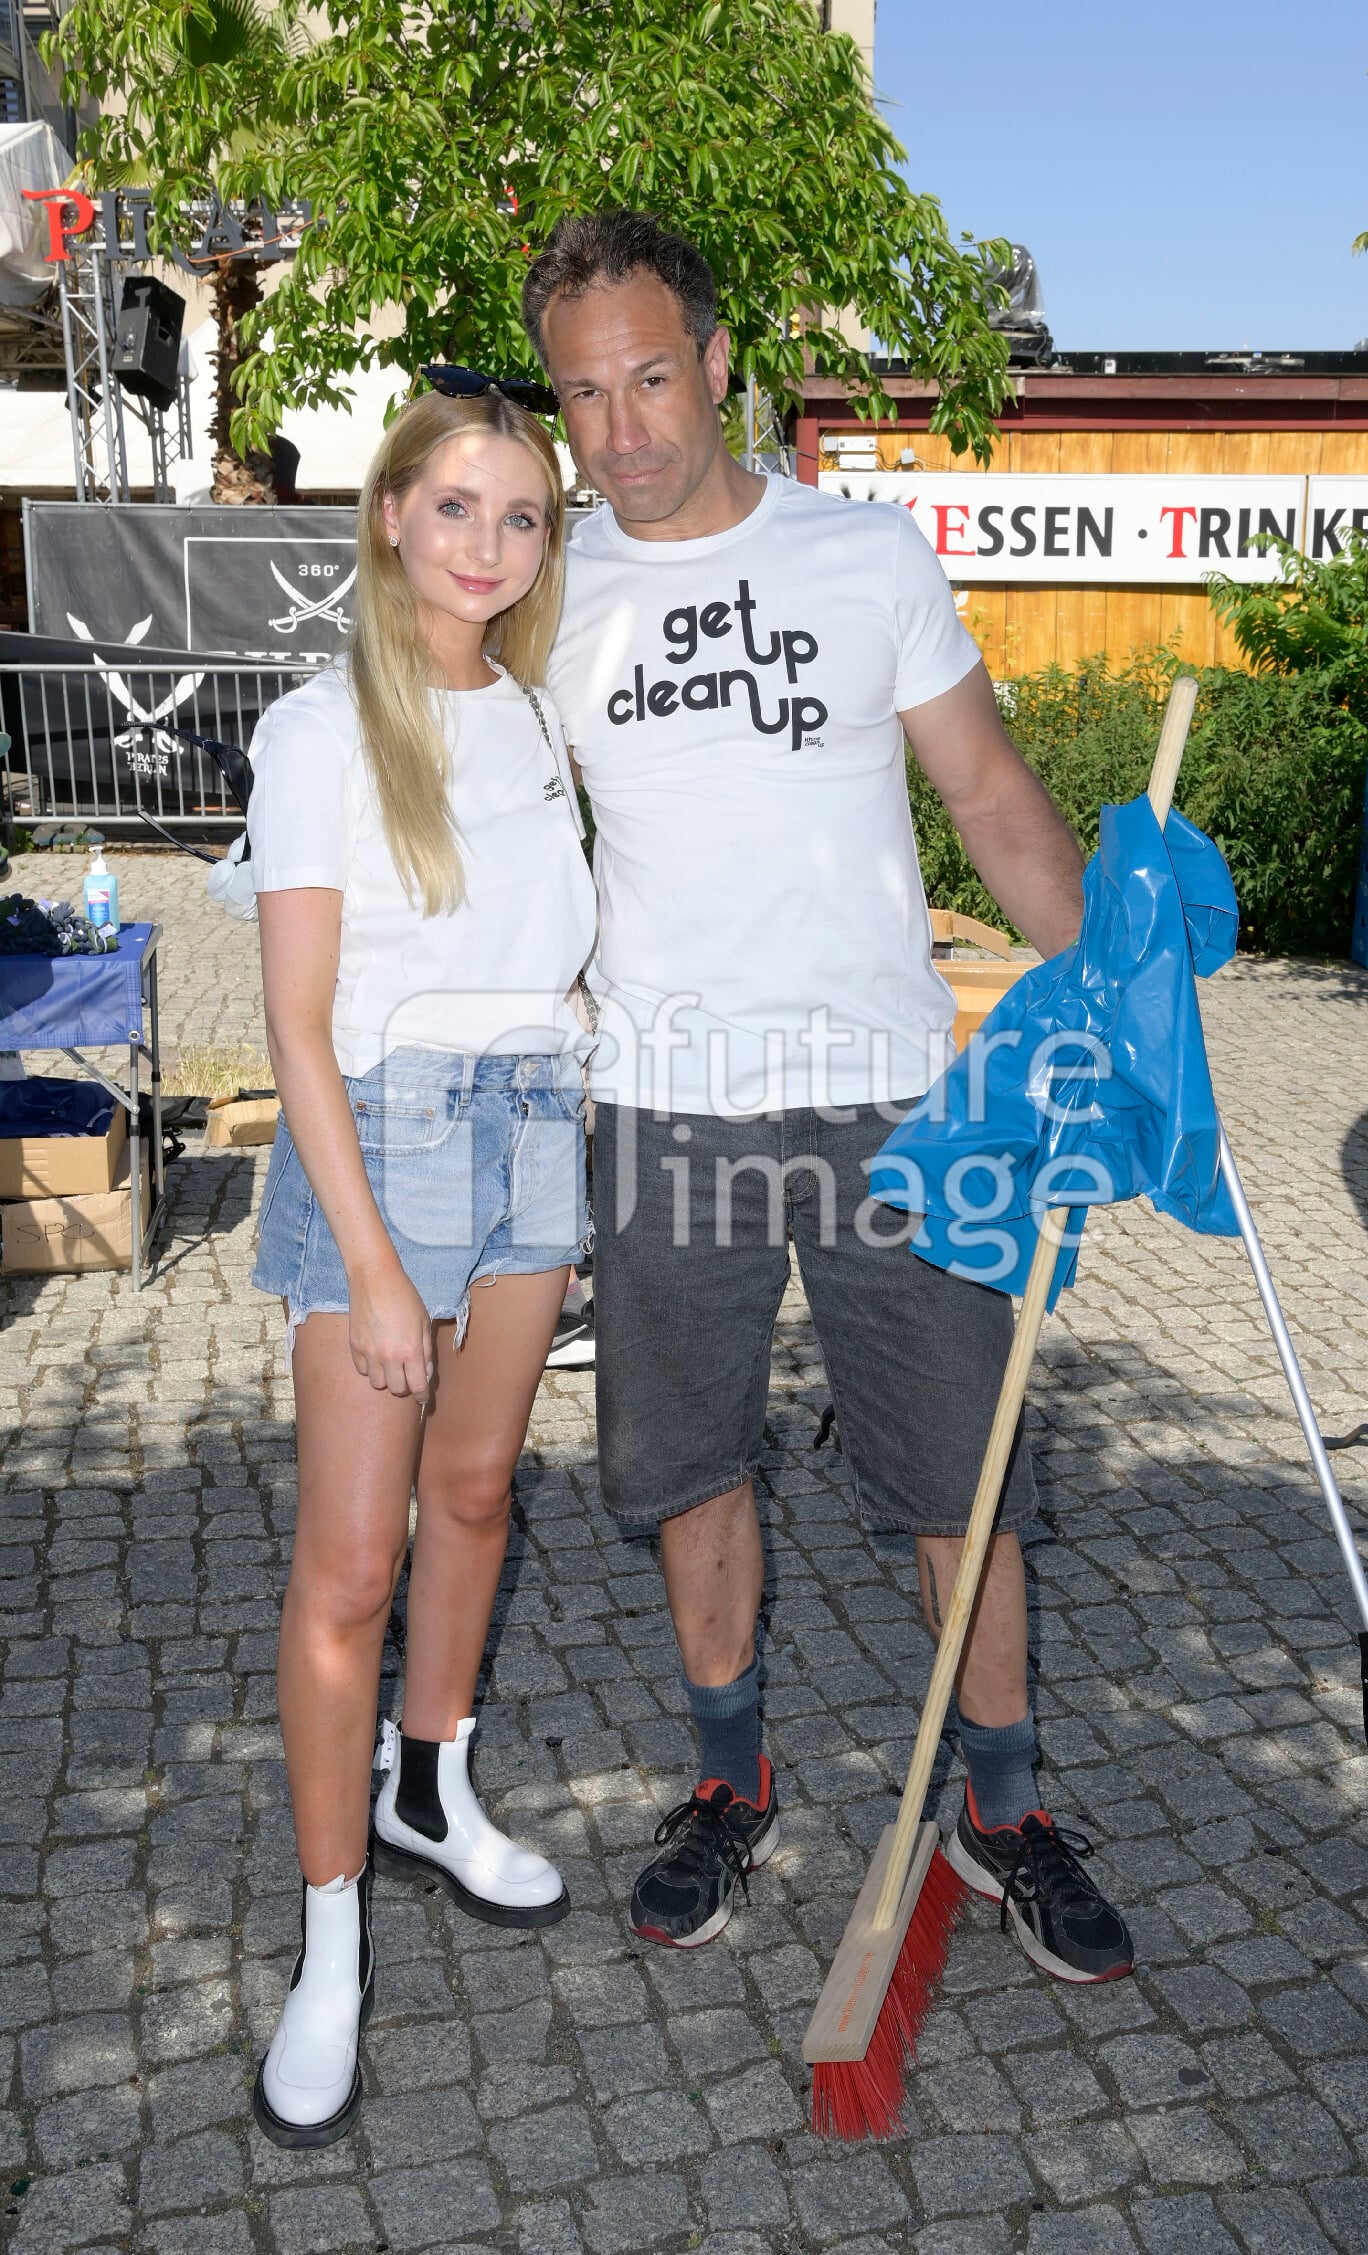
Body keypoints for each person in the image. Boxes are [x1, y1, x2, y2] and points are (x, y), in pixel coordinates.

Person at [531, 211, 1134, 1981]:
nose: (624, 429)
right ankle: (732, 1781)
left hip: (891, 1100)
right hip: (666, 1103)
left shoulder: (864, 556)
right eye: (586, 396)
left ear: (719, 364)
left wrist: (1123, 991)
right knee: (687, 1464)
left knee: (962, 1470)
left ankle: (1002, 1809)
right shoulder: (549, 594)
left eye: (653, 379)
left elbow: (994, 798)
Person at [245, 384, 596, 2148]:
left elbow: (555, 945)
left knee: (473, 1498)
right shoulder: (319, 732)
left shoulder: (535, 715)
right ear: (388, 511)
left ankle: (431, 1787)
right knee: (348, 1570)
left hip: (537, 1128)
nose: (487, 544)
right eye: (456, 505)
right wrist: (376, 1270)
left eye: (522, 515)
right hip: (383, 1143)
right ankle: (328, 1941)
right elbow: (296, 1030)